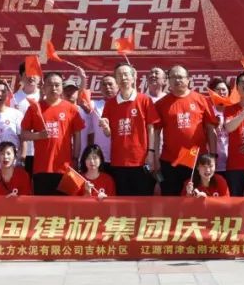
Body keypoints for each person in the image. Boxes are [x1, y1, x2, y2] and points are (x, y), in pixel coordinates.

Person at [155, 65, 218, 196]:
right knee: (170, 198)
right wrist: (155, 157)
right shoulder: (161, 104)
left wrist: (213, 155)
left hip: (197, 160)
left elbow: (210, 129)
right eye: (173, 77)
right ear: (168, 80)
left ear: (188, 79)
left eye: (180, 77)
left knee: (196, 197)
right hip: (170, 160)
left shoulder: (202, 100)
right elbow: (155, 133)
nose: (177, 80)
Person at [100, 63, 161, 196]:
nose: (123, 78)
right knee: (123, 200)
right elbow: (108, 133)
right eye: (119, 75)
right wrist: (105, 127)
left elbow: (151, 128)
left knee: (143, 199)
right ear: (116, 80)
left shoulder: (144, 100)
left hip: (141, 160)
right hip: (118, 161)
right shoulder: (110, 104)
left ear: (133, 78)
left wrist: (151, 153)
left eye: (126, 74)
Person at [29, 72, 85, 195]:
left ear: (61, 88)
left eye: (57, 85)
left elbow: (77, 135)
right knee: (42, 204)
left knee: (63, 204)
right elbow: (23, 134)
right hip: (41, 168)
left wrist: (75, 158)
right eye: (50, 85)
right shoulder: (35, 108)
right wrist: (38, 136)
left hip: (65, 168)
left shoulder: (71, 109)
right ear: (44, 87)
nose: (53, 88)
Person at [12, 61, 42, 173]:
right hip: (21, 151)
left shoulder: (45, 97)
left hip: (41, 150)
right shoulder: (13, 99)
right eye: (27, 74)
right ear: (20, 76)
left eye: (34, 73)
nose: (31, 77)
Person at [86, 74, 118, 166]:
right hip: (101, 156)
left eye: (110, 84)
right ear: (100, 89)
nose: (107, 87)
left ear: (118, 86)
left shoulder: (124, 105)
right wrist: (83, 79)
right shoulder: (95, 105)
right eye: (104, 84)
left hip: (120, 155)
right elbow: (82, 101)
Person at [207, 77, 231, 174]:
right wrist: (213, 156)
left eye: (224, 89)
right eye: (218, 89)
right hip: (213, 162)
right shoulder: (208, 111)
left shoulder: (234, 111)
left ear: (229, 92)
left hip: (232, 162)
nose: (221, 92)